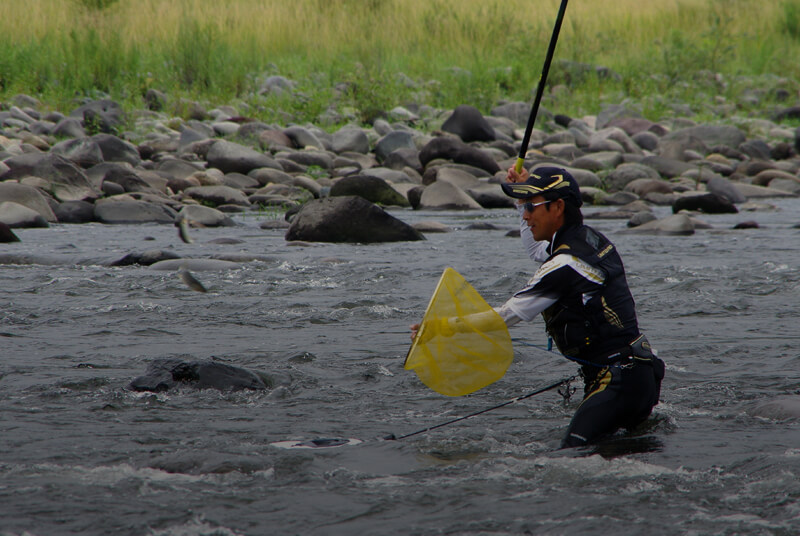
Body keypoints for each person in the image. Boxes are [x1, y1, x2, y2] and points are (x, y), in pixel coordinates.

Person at [411, 165, 665, 448]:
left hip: (619, 382)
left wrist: (441, 327)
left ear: (557, 207)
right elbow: (535, 250)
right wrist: (522, 196)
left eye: (531, 206)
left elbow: (506, 316)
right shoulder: (589, 239)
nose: (525, 215)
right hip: (641, 372)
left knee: (573, 457)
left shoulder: (566, 264)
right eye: (524, 207)